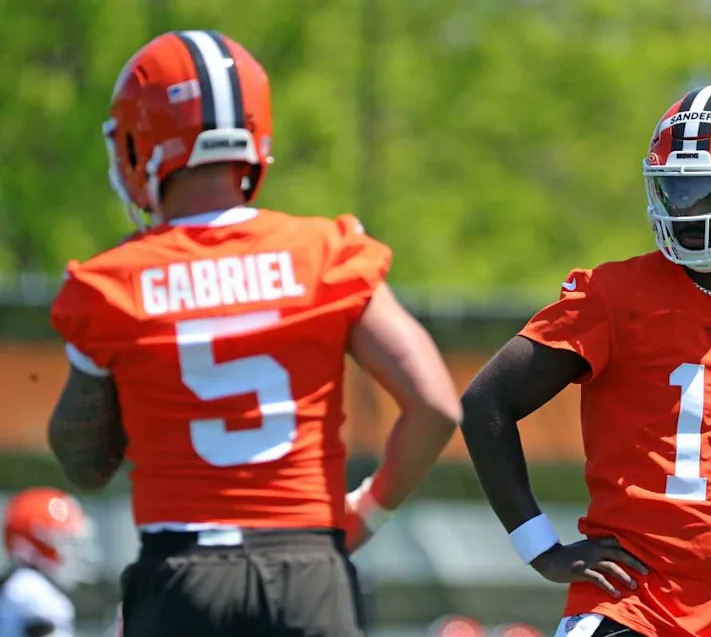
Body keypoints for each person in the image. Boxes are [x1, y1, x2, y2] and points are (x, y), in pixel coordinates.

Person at [45, 30, 461, 637]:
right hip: (307, 570)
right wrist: (366, 514)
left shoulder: (113, 282)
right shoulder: (325, 251)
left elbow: (82, 460)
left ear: (140, 144)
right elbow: (435, 403)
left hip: (182, 575)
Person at [460, 85, 711, 636]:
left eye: (709, 190)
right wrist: (540, 548)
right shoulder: (615, 296)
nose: (689, 211)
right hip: (633, 606)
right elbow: (486, 401)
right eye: (676, 191)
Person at [0, 487, 99, 637]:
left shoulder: (24, 586)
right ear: (30, 545)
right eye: (65, 542)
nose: (73, 553)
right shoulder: (32, 592)